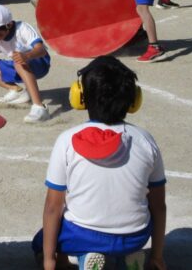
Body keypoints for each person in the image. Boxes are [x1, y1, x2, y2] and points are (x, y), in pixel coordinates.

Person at [33, 56, 166, 270]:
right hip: (135, 236)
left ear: (80, 98)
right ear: (134, 100)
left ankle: (87, 256)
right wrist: (157, 257)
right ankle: (131, 255)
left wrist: (50, 261)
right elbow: (158, 206)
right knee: (139, 217)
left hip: (84, 235)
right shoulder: (145, 139)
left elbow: (53, 207)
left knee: (41, 239)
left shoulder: (67, 140)